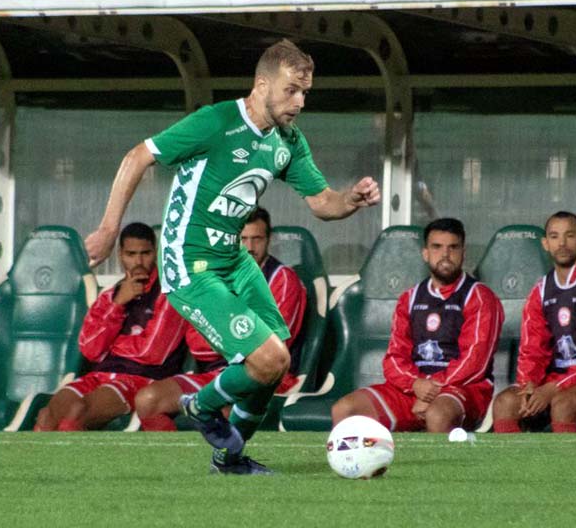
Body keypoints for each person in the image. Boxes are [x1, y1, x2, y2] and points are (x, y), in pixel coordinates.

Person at [85, 39, 381, 475]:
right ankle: (201, 406)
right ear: (261, 85)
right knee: (266, 360)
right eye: (291, 90)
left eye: (304, 93)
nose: (299, 102)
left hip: (233, 257)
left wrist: (350, 199)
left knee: (276, 364)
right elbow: (138, 156)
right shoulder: (217, 121)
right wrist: (110, 228)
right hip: (189, 261)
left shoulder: (287, 141)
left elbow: (322, 203)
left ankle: (229, 458)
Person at [134, 207, 307, 431]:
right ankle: (180, 455)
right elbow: (197, 344)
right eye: (243, 239)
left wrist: (222, 332)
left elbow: (274, 346)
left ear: (268, 239)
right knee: (148, 400)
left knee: (226, 407)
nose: (250, 247)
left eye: (257, 239)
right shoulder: (215, 276)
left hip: (261, 377)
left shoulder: (282, 279)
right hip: (216, 373)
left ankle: (228, 451)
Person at [331, 218, 504, 433]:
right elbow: (394, 358)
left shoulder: (480, 296)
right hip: (414, 387)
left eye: (453, 247)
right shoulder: (410, 298)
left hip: (463, 389)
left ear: (463, 253)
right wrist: (415, 385)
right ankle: (363, 457)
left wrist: (431, 390)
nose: (445, 254)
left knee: (438, 414)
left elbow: (474, 362)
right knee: (345, 409)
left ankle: (441, 456)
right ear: (425, 253)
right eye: (437, 247)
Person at [34, 222, 188, 431]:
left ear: (156, 253)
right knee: (47, 415)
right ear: (120, 255)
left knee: (77, 412)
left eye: (145, 253)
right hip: (100, 375)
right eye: (131, 254)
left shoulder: (170, 293)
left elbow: (152, 353)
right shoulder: (109, 295)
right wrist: (118, 305)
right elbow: (90, 349)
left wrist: (111, 345)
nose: (138, 261)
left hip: (141, 379)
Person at [493, 211, 576, 433]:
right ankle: (513, 458)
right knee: (505, 403)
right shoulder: (540, 290)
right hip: (553, 380)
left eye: (569, 235)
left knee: (563, 404)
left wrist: (554, 388)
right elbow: (532, 350)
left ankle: (568, 457)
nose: (562, 243)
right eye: (555, 236)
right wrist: (529, 383)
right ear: (545, 243)